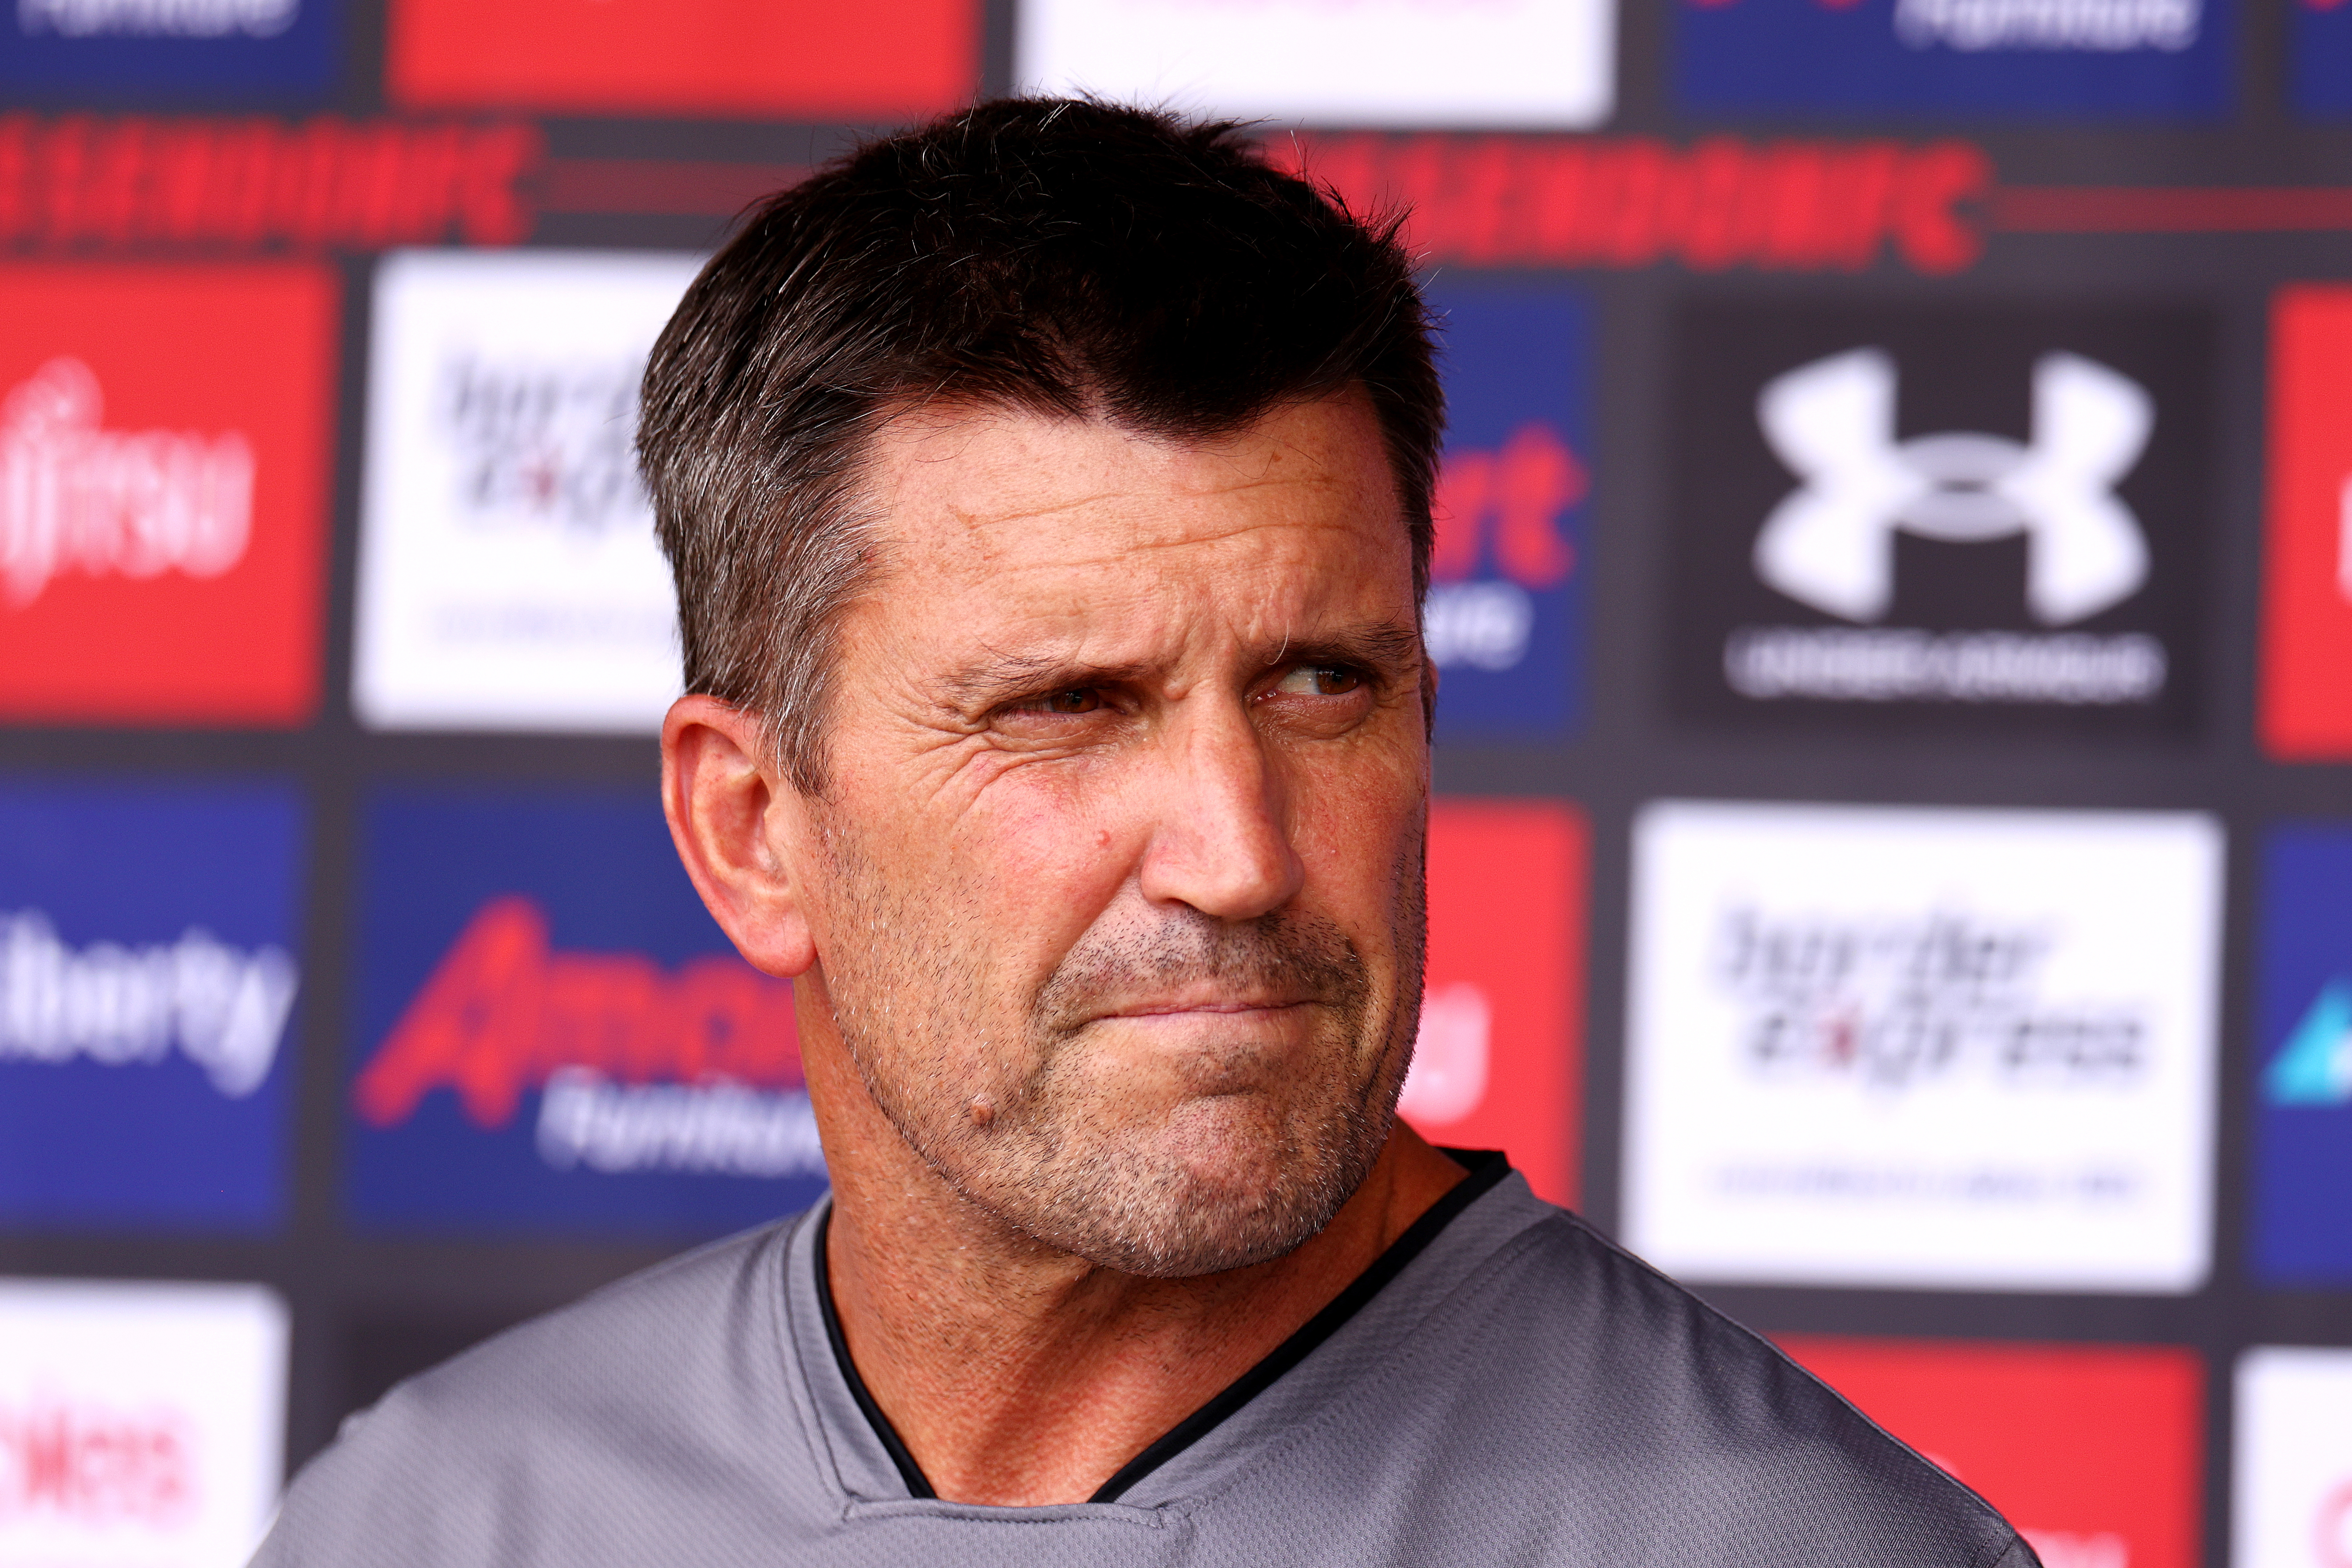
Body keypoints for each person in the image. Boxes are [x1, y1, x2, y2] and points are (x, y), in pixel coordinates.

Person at [253, 99, 2037, 1567]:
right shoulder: (436, 1519)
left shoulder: (1793, 1544)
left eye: (1322, 683)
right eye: (1065, 706)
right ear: (750, 831)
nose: (1238, 854)